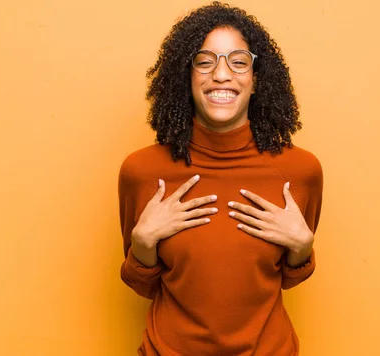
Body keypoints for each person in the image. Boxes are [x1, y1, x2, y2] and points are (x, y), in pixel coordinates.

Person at [118, 2, 323, 355]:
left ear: (256, 79)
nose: (222, 74)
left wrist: (302, 249)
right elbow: (143, 285)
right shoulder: (142, 172)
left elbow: (289, 279)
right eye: (205, 61)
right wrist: (143, 244)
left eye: (239, 61)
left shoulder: (300, 172)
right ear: (188, 76)